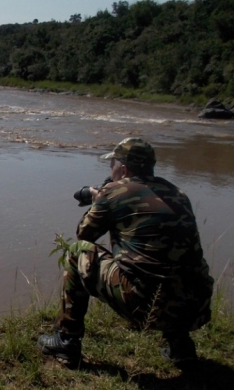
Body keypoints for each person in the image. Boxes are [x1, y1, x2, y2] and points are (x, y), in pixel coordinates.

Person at [38, 137, 214, 367]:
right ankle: (181, 346)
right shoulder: (178, 193)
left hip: (146, 307)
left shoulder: (113, 191)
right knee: (170, 265)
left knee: (77, 252)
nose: (110, 170)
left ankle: (67, 341)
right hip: (195, 306)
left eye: (112, 165)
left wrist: (98, 200)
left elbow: (84, 235)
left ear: (122, 168)